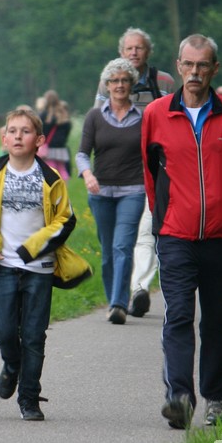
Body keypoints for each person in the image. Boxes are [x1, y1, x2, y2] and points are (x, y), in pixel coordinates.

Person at [142, 34, 222, 429]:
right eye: (188, 64)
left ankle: (216, 399)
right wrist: (163, 217)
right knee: (178, 315)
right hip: (175, 234)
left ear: (215, 69)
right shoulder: (157, 114)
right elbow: (150, 174)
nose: (195, 72)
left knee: (216, 320)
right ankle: (179, 397)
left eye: (202, 65)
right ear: (178, 66)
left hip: (221, 235)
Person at [0, 107, 91, 421]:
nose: (18, 136)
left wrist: (31, 249)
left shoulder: (51, 179)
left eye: (25, 132)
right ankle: (12, 365)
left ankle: (29, 398)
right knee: (3, 330)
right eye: (12, 131)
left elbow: (66, 219)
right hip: (3, 266)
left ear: (39, 140)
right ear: (4, 138)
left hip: (39, 270)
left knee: (35, 336)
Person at [94, 27, 176, 318]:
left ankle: (139, 288)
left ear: (148, 51)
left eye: (139, 47)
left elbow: (174, 119)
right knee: (115, 243)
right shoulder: (108, 80)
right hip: (116, 175)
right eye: (129, 48)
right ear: (121, 52)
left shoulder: (164, 82)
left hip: (152, 170)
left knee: (144, 232)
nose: (134, 52)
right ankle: (126, 292)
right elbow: (98, 121)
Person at [77, 58, 146, 324]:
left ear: (132, 84)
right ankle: (113, 301)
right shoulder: (94, 116)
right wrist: (87, 175)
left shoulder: (142, 118)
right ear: (106, 85)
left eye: (124, 80)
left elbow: (152, 154)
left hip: (133, 191)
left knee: (122, 246)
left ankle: (119, 304)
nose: (119, 85)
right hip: (101, 192)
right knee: (108, 253)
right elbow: (82, 154)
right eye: (114, 81)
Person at [39, 90, 72, 179]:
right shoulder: (63, 114)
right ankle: (63, 186)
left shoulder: (44, 115)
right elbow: (67, 130)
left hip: (49, 149)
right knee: (62, 170)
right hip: (61, 148)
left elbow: (41, 131)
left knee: (51, 170)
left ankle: (53, 187)